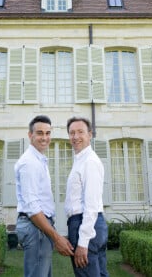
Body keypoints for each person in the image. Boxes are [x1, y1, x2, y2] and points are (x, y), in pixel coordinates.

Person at [15, 115, 74, 277]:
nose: (45, 138)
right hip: (36, 227)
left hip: (39, 227)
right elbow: (32, 208)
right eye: (40, 133)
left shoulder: (38, 160)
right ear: (30, 135)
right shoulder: (30, 163)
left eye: (48, 133)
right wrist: (56, 238)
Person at [65, 116, 108, 277]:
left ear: (90, 135)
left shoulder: (89, 161)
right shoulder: (81, 160)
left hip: (85, 224)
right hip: (91, 225)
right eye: (72, 133)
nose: (75, 137)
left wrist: (83, 243)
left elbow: (91, 205)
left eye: (80, 132)